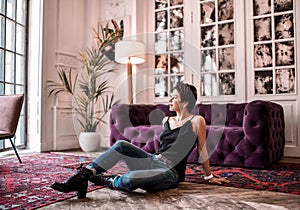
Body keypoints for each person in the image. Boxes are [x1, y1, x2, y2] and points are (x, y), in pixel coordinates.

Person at [51, 82, 229, 198]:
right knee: (121, 144)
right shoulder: (166, 120)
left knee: (130, 180)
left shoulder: (197, 121)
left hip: (170, 173)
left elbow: (202, 150)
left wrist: (209, 176)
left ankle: (109, 180)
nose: (169, 99)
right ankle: (84, 175)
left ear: (185, 101)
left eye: (174, 96)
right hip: (153, 160)